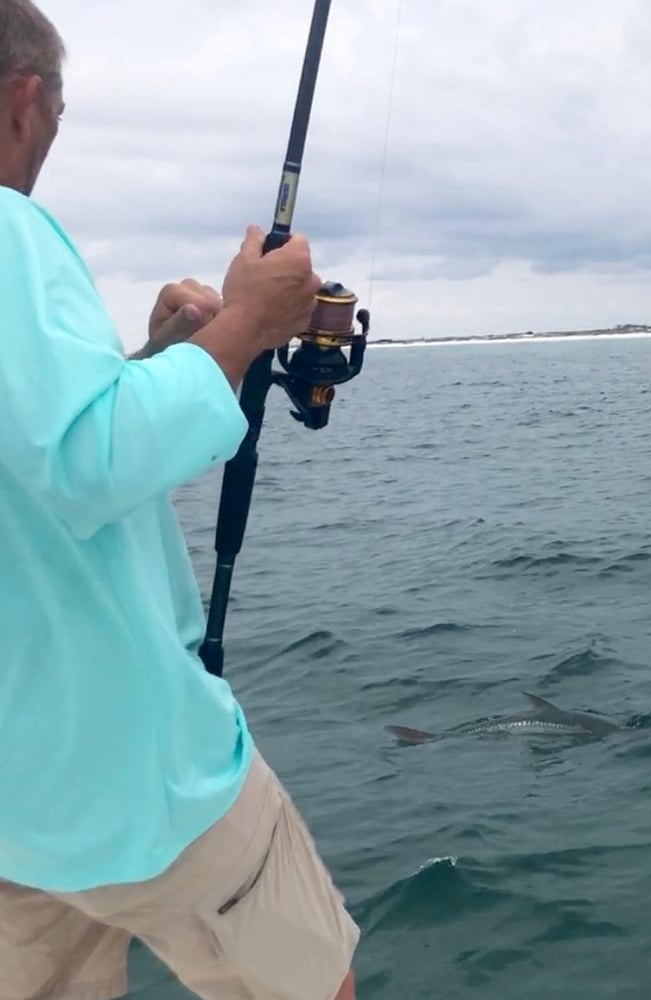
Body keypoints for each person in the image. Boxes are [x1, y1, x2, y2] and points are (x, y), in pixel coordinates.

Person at [0, 2, 360, 998]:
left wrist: (157, 360)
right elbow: (81, 465)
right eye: (61, 114)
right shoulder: (7, 228)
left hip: (16, 807)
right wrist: (245, 323)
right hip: (128, 772)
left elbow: (28, 456)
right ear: (26, 100)